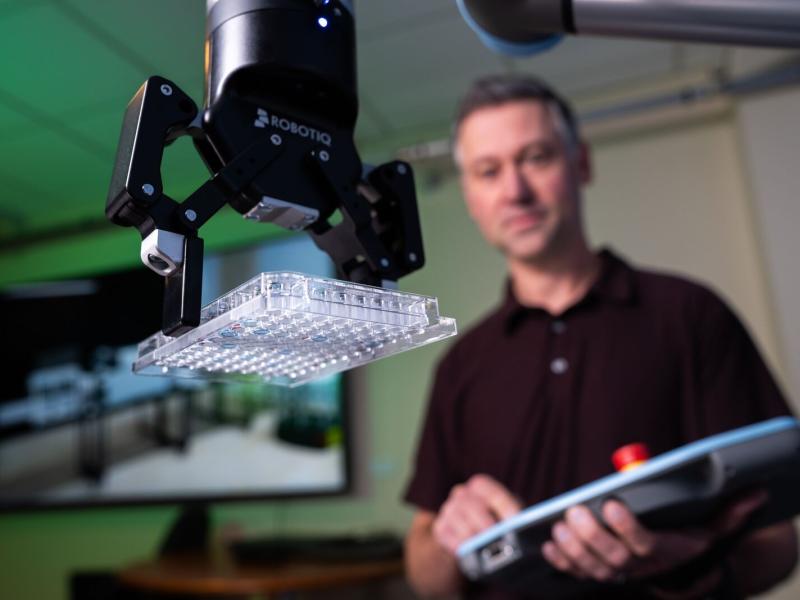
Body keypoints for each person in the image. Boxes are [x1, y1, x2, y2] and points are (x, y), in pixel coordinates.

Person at [403, 74, 797, 599]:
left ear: (581, 163)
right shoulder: (460, 364)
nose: (514, 190)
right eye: (488, 171)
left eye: (536, 158)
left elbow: (777, 542)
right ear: (471, 196)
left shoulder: (691, 315)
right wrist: (450, 536)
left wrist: (691, 566)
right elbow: (425, 574)